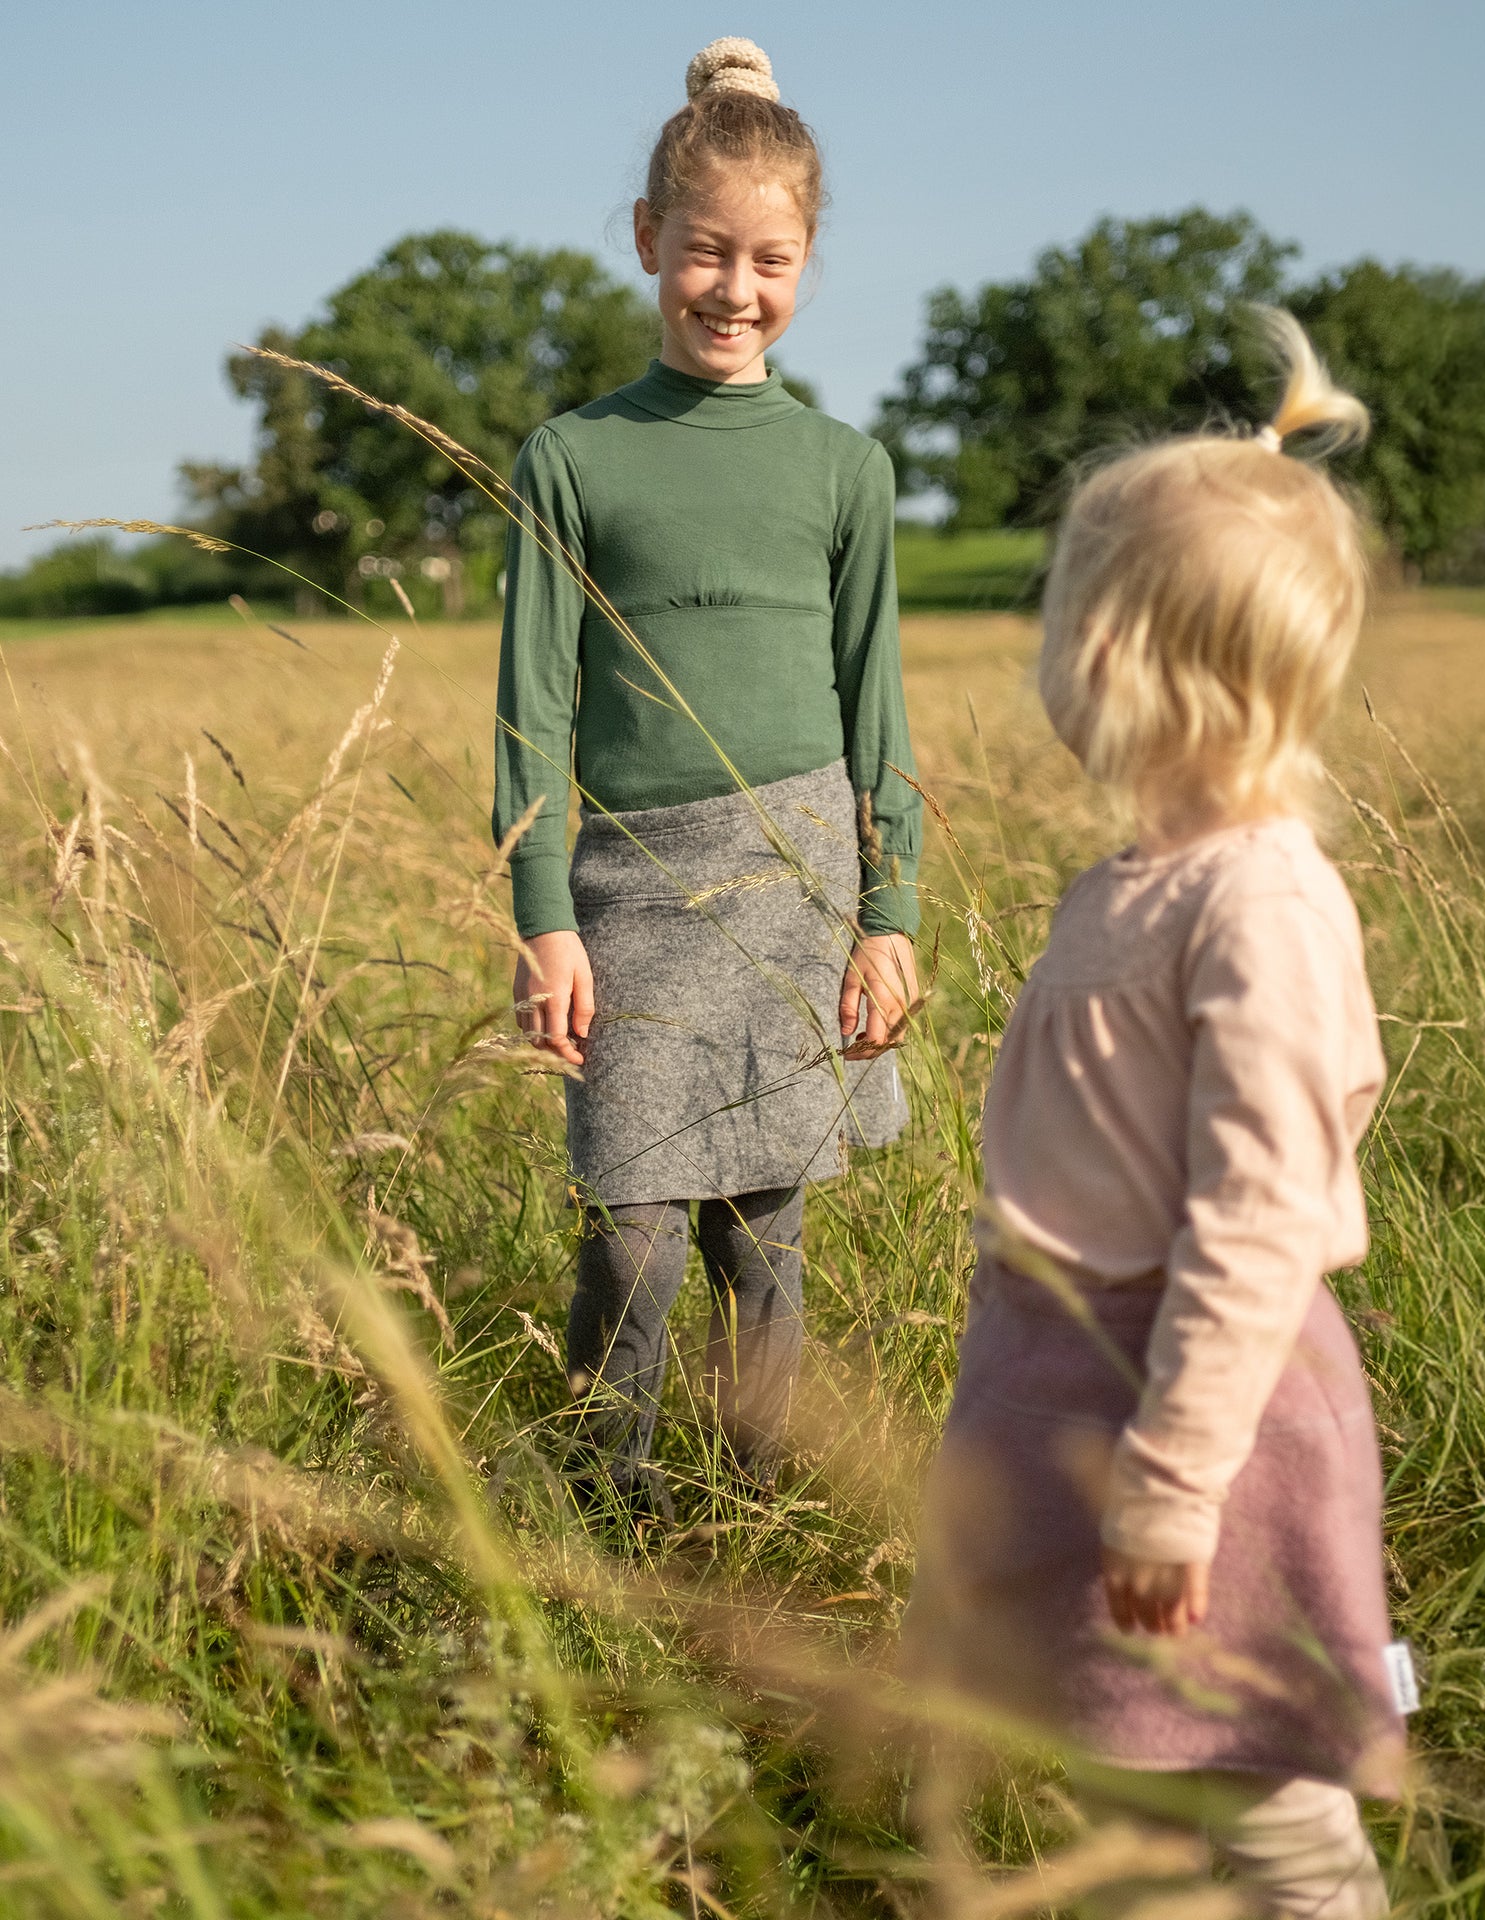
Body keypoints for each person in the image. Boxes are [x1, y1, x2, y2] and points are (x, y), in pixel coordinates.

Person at [904, 311, 1404, 1916]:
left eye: (1062, 620)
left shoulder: (1258, 902)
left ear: (1119, 656)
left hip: (1204, 1429)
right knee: (1126, 1775)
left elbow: (1258, 1214)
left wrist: (1177, 1479)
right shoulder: (1131, 883)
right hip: (1084, 1394)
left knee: (1262, 1798)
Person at [492, 38, 921, 1522]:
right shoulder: (570, 458)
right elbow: (530, 705)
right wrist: (542, 914)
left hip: (799, 876)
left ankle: (756, 1508)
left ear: (807, 260)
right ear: (648, 244)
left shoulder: (844, 469)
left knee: (765, 1231)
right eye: (707, 254)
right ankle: (608, 1512)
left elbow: (879, 704)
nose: (738, 290)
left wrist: (889, 911)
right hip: (630, 886)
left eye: (773, 259)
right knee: (632, 1227)